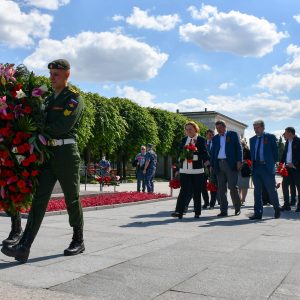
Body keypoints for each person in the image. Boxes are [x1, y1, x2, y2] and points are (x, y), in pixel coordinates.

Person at [1, 59, 85, 263]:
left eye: (56, 74)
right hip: (47, 154)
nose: (52, 77)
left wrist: (37, 134)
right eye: (51, 73)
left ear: (67, 75)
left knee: (71, 198)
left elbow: (63, 125)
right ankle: (24, 246)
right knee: (39, 199)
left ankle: (78, 239)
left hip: (66, 153)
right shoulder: (46, 99)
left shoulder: (73, 99)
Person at [171, 121, 209, 219]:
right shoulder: (184, 140)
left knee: (197, 191)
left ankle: (197, 212)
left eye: (190, 129)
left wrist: (195, 154)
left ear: (195, 129)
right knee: (183, 191)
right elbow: (179, 154)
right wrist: (178, 167)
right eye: (187, 129)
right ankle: (179, 211)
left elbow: (205, 154)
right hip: (185, 170)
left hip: (197, 171)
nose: (188, 131)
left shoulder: (201, 139)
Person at [249, 120, 281, 220]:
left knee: (271, 190)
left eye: (257, 127)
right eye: (254, 128)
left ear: (263, 128)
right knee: (257, 191)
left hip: (266, 167)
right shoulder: (252, 139)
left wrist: (272, 164)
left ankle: (277, 208)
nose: (256, 130)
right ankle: (258, 213)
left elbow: (275, 153)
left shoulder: (270, 137)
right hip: (256, 168)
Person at [210, 120, 242, 217]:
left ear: (225, 127)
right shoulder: (215, 138)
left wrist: (239, 161)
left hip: (230, 164)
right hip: (219, 164)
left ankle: (237, 208)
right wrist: (212, 165)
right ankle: (223, 210)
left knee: (232, 187)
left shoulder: (233, 134)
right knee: (221, 189)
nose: (219, 130)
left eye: (220, 128)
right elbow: (212, 153)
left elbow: (239, 148)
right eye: (217, 128)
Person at [280, 127, 300, 212]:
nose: (284, 134)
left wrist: (294, 163)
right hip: (287, 168)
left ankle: (299, 206)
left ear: (290, 133)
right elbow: (285, 153)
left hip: (296, 168)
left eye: (286, 132)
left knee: (299, 186)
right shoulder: (288, 142)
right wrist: (281, 164)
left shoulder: (298, 141)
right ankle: (286, 204)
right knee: (284, 185)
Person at [205, 129, 218, 209]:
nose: (211, 136)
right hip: (203, 166)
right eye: (209, 134)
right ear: (206, 135)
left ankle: (212, 203)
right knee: (203, 186)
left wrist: (210, 163)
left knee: (213, 184)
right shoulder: (203, 143)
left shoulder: (216, 143)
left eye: (212, 134)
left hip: (213, 166)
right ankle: (206, 202)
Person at [237, 139, 251, 205]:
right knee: (238, 186)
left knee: (244, 186)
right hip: (237, 170)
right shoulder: (235, 150)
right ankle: (239, 200)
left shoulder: (247, 151)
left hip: (245, 170)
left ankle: (243, 200)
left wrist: (244, 162)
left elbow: (250, 161)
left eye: (241, 143)